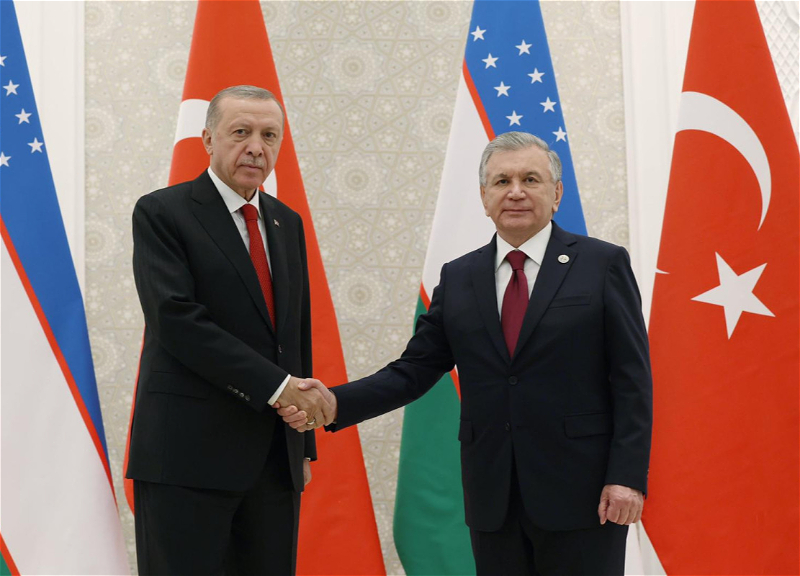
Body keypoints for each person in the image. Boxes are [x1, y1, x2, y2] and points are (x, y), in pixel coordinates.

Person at [279, 132, 652, 575]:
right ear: (483, 197)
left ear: (556, 194)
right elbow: (414, 370)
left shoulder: (602, 264)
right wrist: (335, 401)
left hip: (585, 494)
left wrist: (627, 476)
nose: (515, 191)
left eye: (530, 179)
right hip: (494, 496)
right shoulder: (459, 277)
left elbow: (632, 380)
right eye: (502, 181)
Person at [127, 85, 333, 575]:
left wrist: (301, 445)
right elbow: (177, 320)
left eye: (269, 135)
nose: (256, 147)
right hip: (186, 457)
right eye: (241, 132)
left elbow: (293, 335)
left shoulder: (286, 222)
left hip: (273, 461)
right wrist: (279, 387)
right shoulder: (162, 212)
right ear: (208, 140)